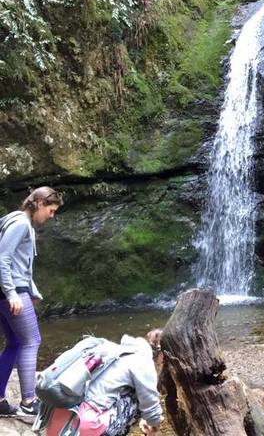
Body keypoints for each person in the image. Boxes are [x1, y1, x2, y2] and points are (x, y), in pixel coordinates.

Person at [0, 186, 62, 417]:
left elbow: (20, 265)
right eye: (51, 210)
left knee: (15, 342)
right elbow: (3, 259)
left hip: (8, 291)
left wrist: (32, 291)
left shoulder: (14, 220)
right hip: (10, 292)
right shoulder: (20, 224)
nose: (51, 216)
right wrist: (13, 294)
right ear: (38, 204)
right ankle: (28, 402)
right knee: (31, 341)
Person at [46, 329, 163, 436]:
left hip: (57, 421)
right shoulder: (143, 361)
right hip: (84, 427)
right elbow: (151, 409)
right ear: (162, 353)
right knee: (138, 398)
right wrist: (155, 426)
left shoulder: (114, 349)